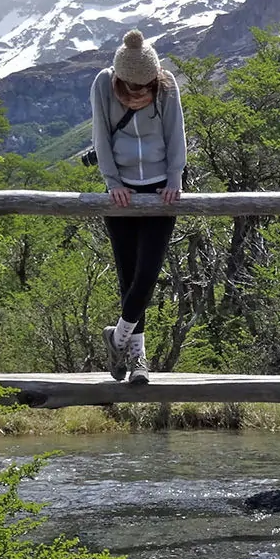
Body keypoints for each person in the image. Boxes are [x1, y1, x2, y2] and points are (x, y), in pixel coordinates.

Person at [90, 28, 186, 385]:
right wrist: (113, 182)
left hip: (162, 190)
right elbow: (100, 132)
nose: (137, 94)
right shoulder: (102, 84)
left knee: (148, 273)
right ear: (119, 79)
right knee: (127, 276)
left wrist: (175, 177)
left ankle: (117, 339)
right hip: (121, 193)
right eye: (131, 88)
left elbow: (176, 132)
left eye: (144, 88)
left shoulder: (167, 85)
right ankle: (137, 359)